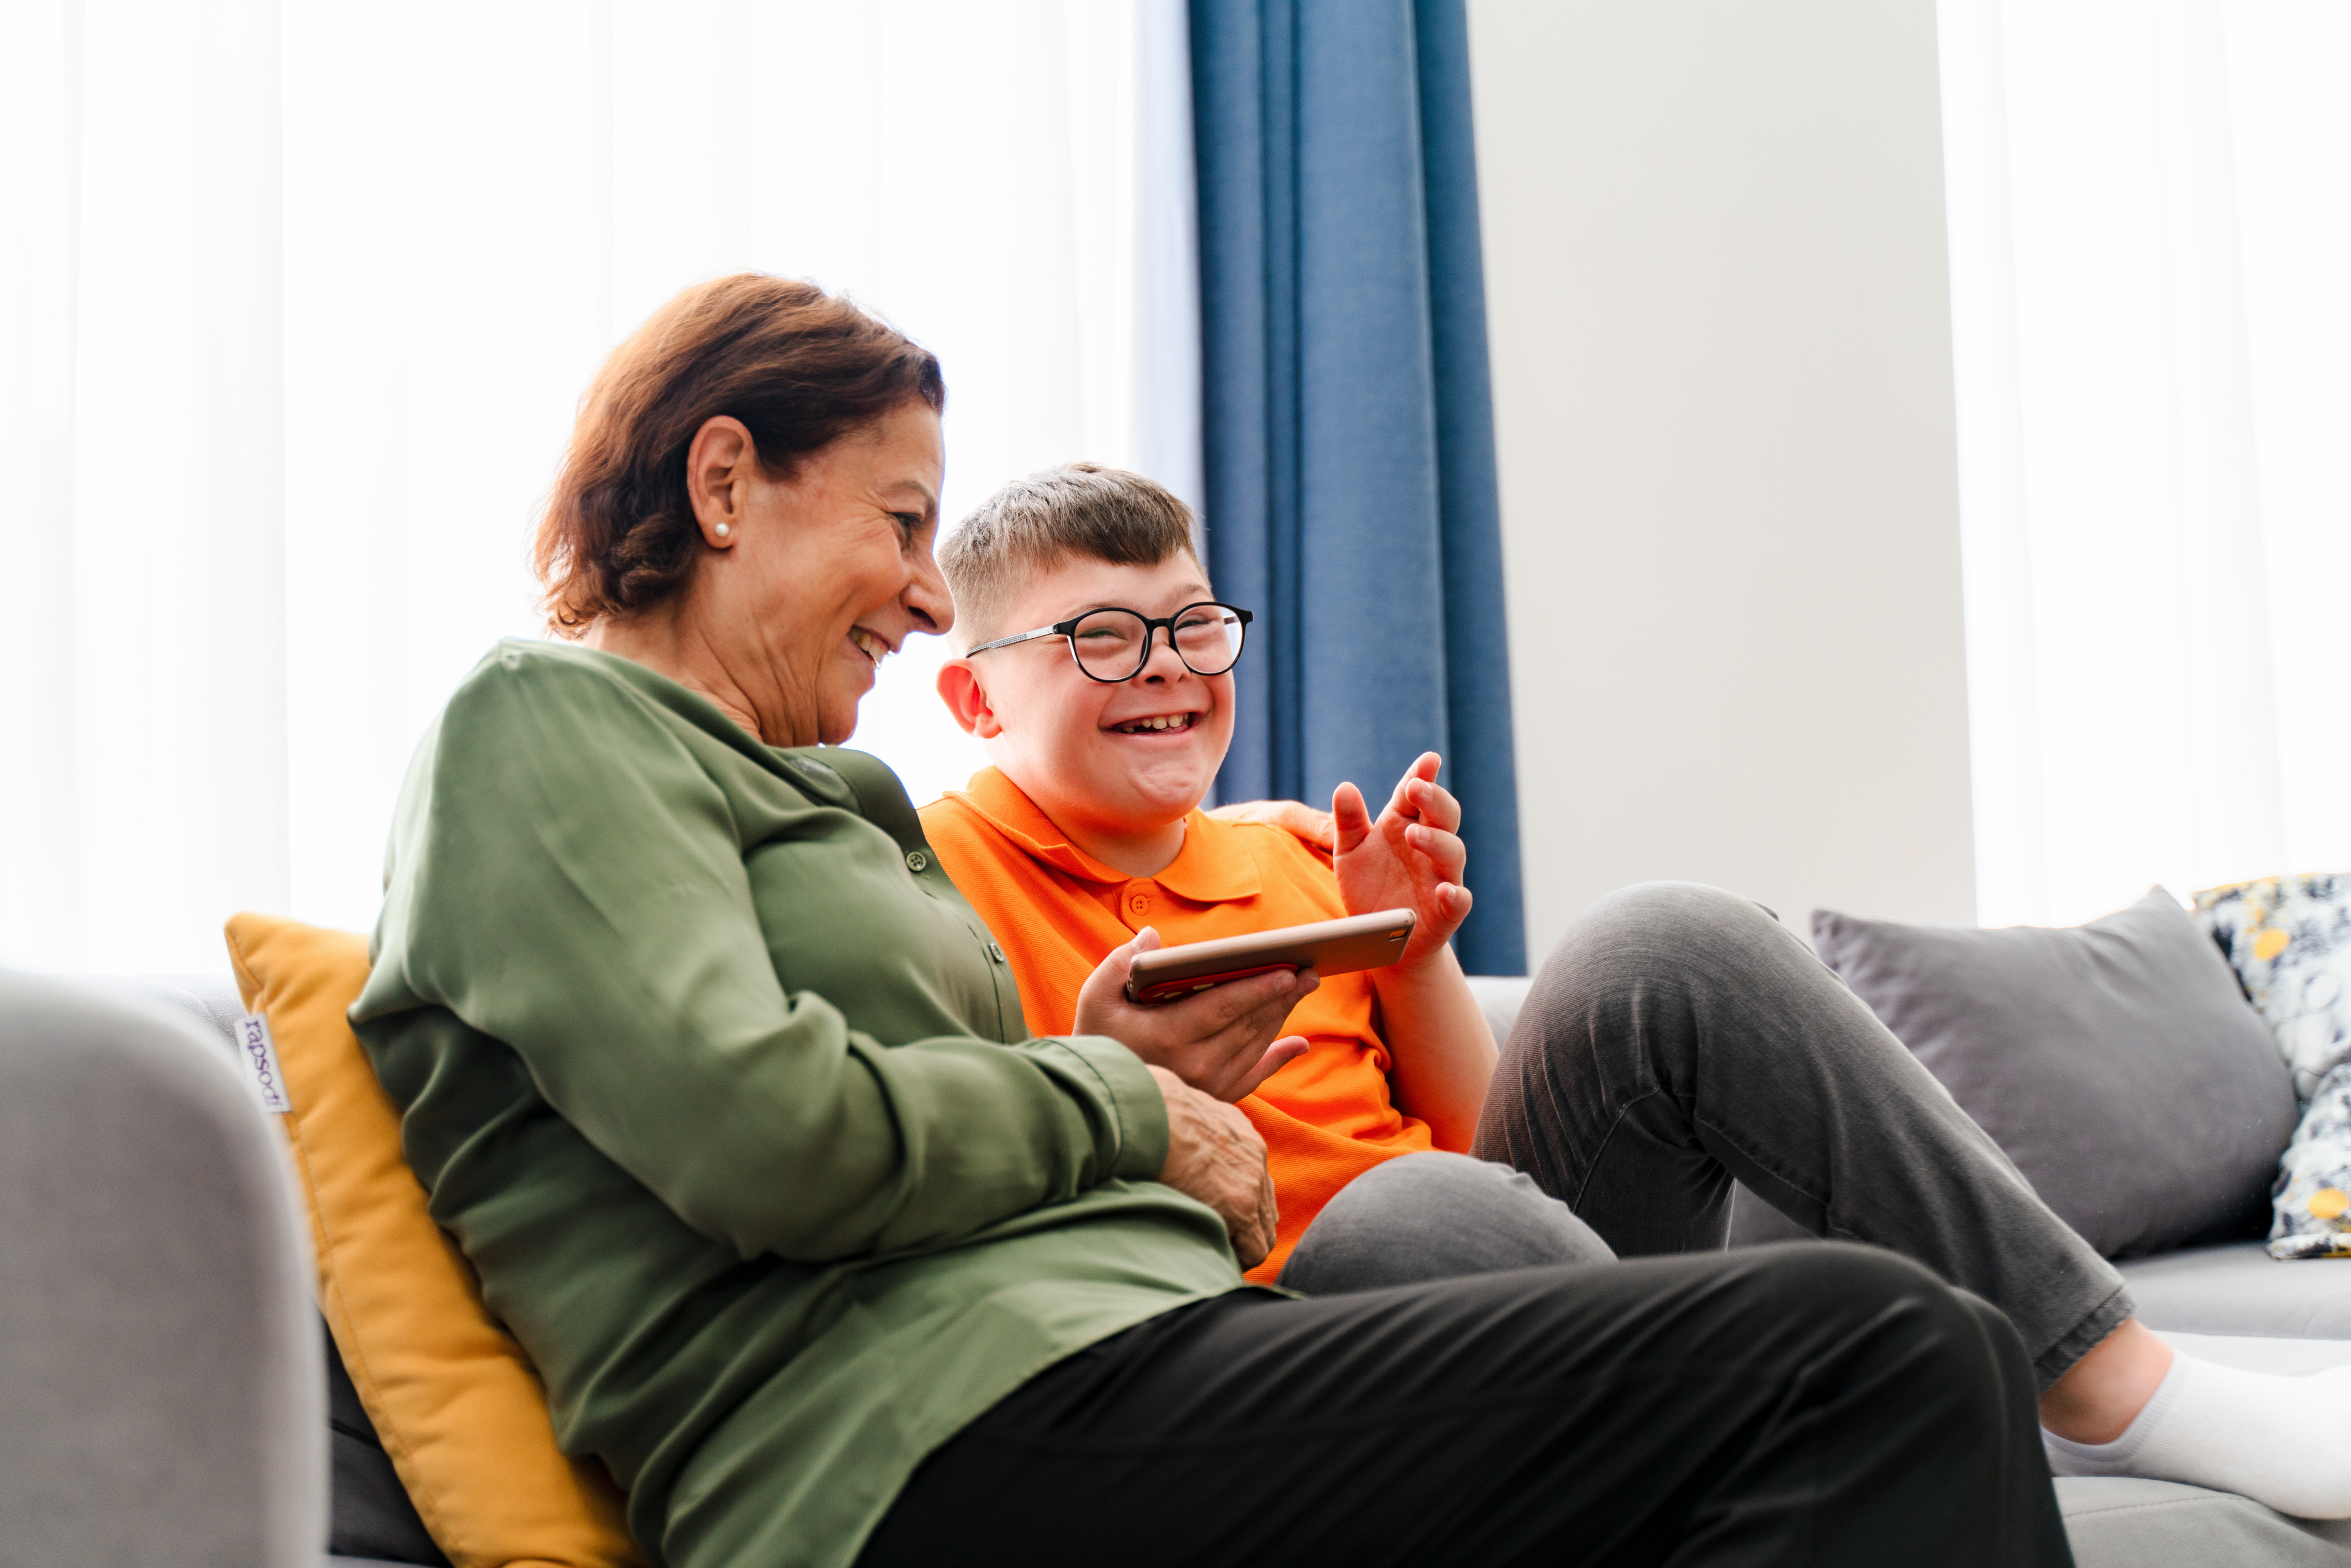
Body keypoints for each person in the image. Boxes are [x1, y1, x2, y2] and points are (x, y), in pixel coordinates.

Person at [352, 273, 2072, 1568]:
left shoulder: (832, 806)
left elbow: (935, 1137)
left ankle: (2103, 1362)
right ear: (724, 486)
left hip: (1126, 1351)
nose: (929, 586)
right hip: (917, 1446)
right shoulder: (545, 726)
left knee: (1886, 1333)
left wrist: (1110, 1071)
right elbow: (766, 1132)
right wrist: (1124, 1102)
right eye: (899, 522)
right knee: (1883, 1351)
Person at [921, 460, 2351, 1522]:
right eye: (1100, 638)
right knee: (1411, 1212)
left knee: (1663, 939)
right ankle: (1813, 1419)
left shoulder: (1303, 847)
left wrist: (1405, 948)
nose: (1166, 671)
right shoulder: (928, 879)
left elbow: (1504, 1161)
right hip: (1279, 1362)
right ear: (977, 699)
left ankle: (2109, 1388)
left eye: (1193, 627)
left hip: (1516, 1282)